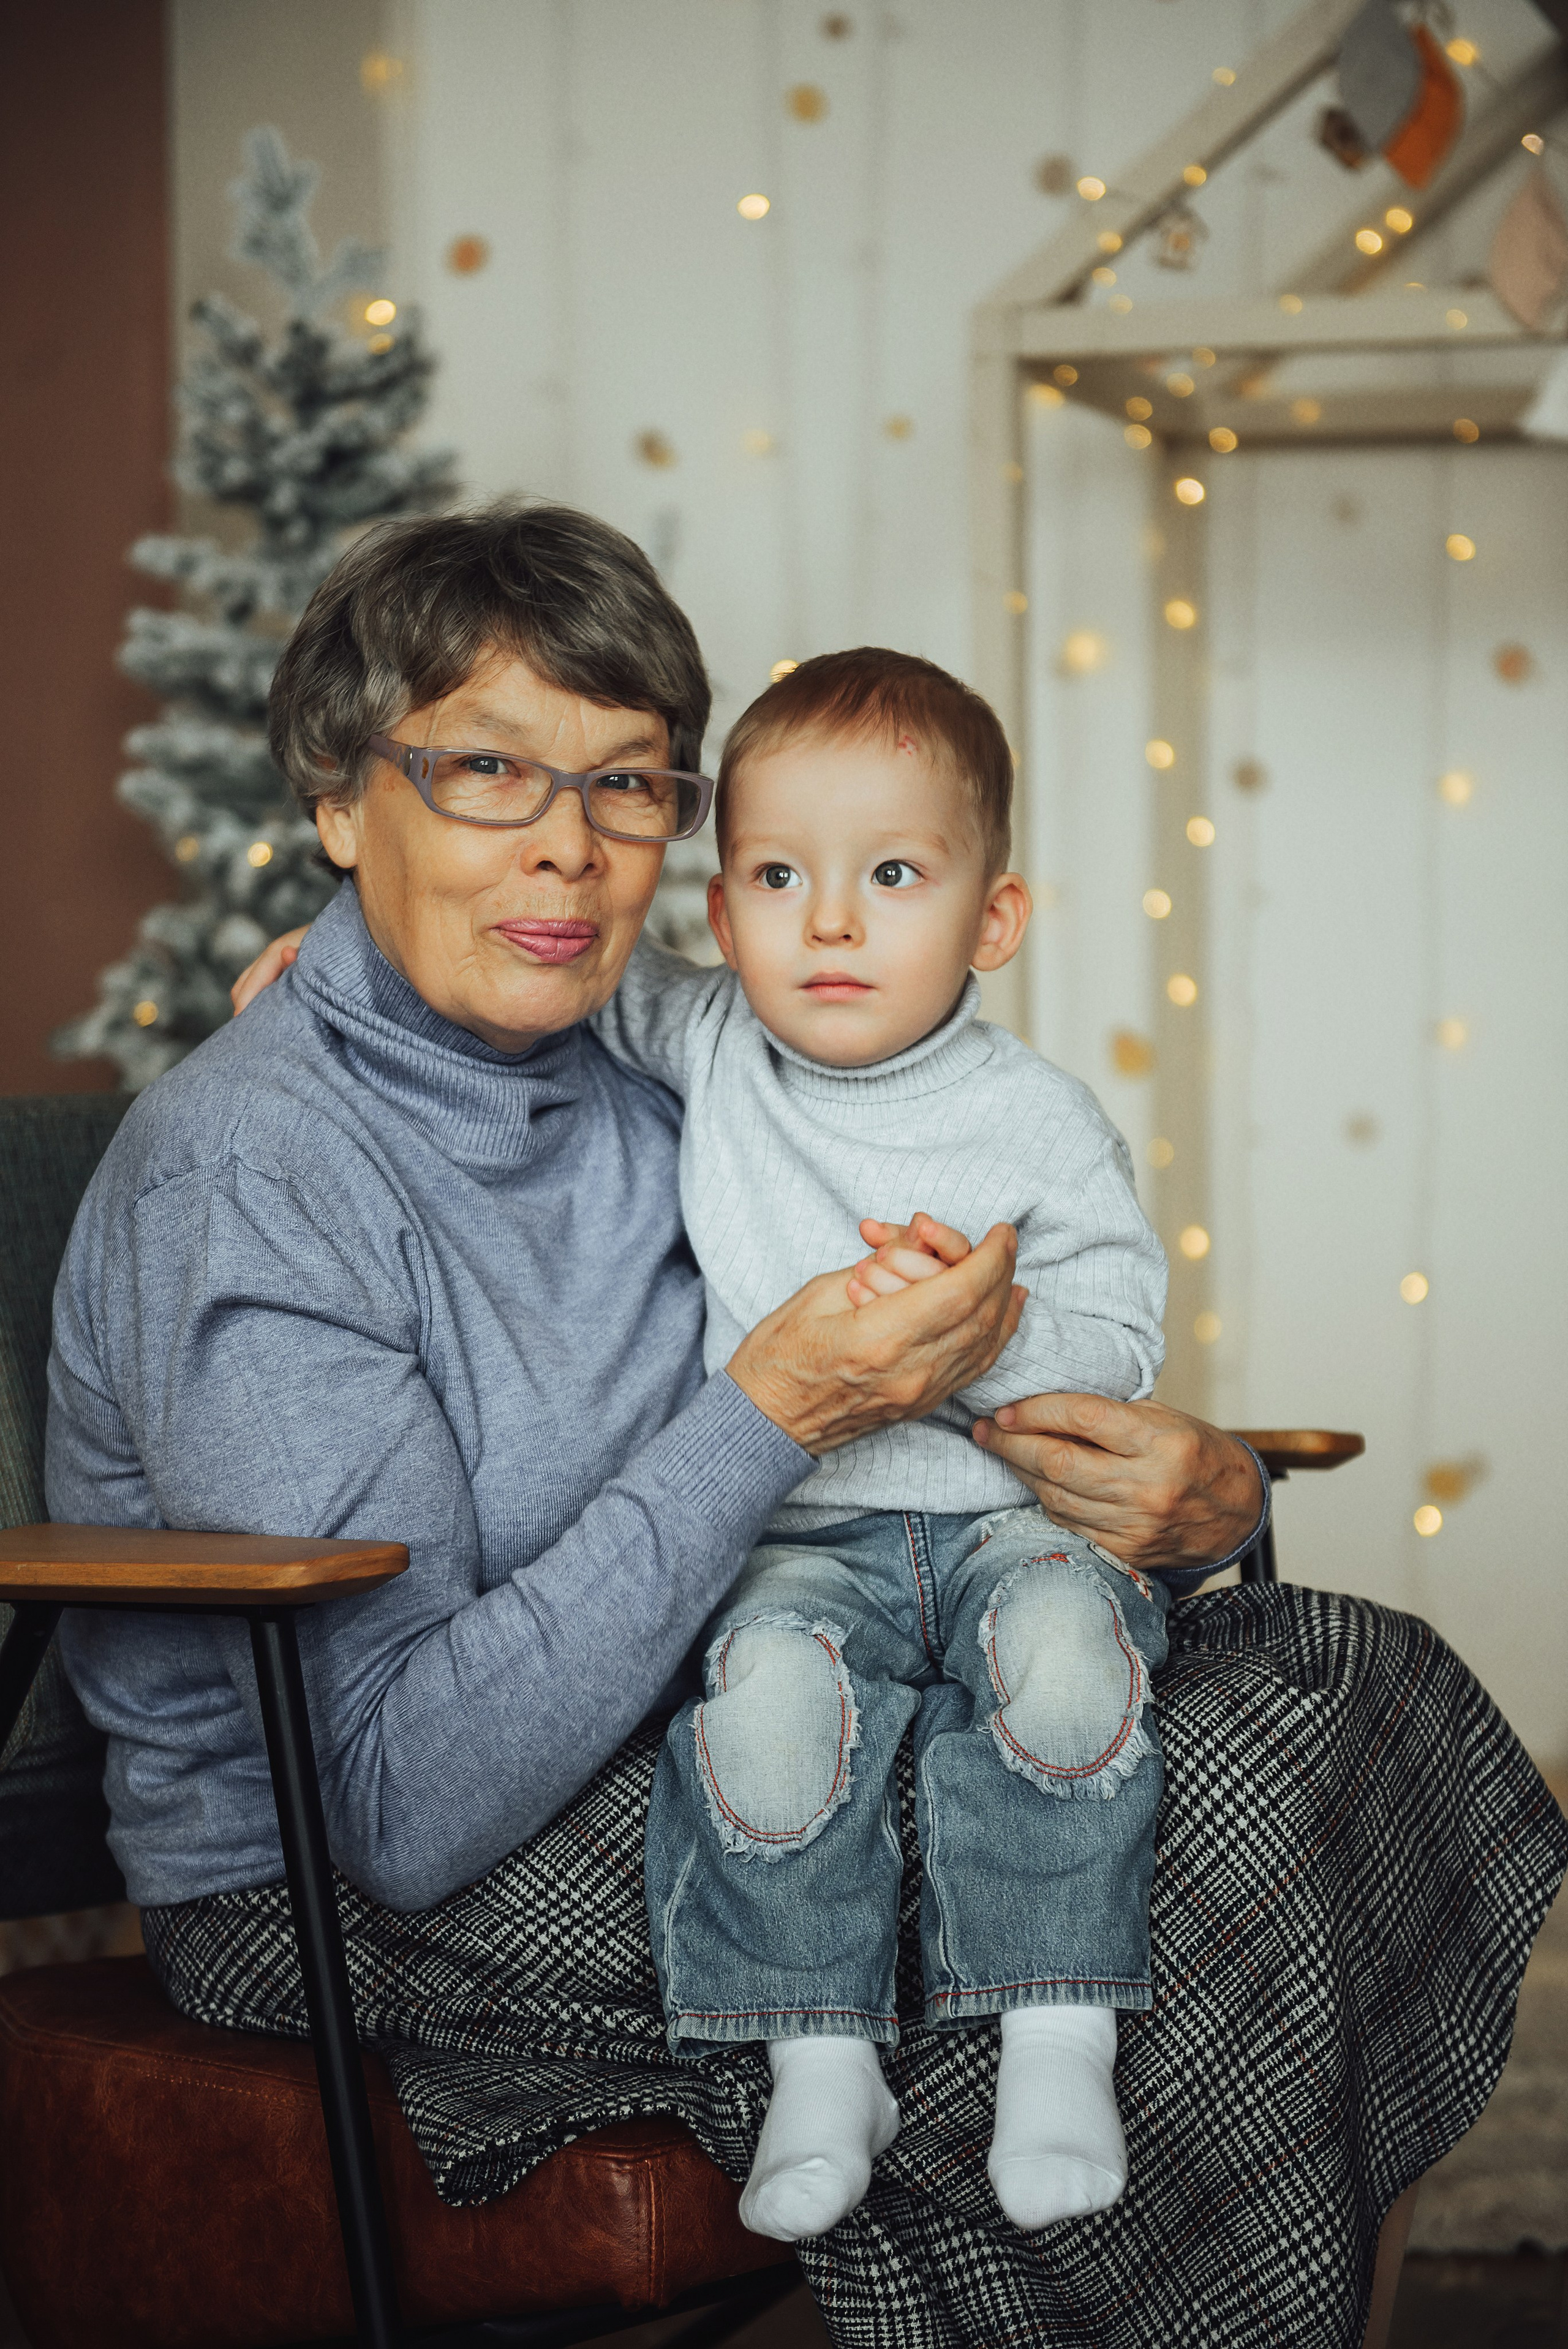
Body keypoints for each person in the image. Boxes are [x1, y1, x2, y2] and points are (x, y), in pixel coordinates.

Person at [55, 505, 1565, 2349]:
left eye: (627, 785)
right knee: (1208, 1841)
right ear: (338, 802)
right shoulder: (253, 1171)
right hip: (339, 1878)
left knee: (1345, 1681)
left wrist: (1205, 1492)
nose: (567, 847)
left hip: (743, 1695)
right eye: (484, 772)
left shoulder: (665, 1073)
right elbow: (399, 1805)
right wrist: (773, 1406)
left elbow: (945, 1373)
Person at [582, 647, 1174, 2245]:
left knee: (1071, 1666)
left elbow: (1124, 1341)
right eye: (779, 877)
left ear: (994, 918)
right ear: (723, 918)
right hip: (796, 1528)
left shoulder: (1039, 1118)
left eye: (893, 876)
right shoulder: (711, 1041)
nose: (829, 923)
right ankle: (821, 2058)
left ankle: (1058, 2032)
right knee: (768, 1720)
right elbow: (552, 961)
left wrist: (987, 1333)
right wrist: (337, 953)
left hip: (1005, 1518)